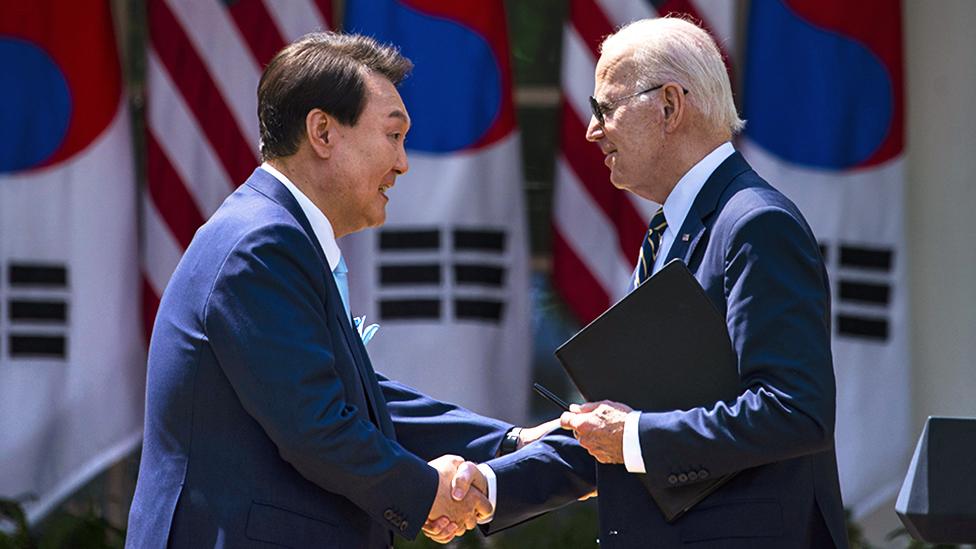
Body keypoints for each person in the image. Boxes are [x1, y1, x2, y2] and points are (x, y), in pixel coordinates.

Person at [126, 32, 591, 548]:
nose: (403, 163)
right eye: (393, 135)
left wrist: (509, 443)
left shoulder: (273, 234)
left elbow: (358, 398)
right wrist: (430, 493)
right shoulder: (262, 245)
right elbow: (319, 427)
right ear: (323, 132)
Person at [548, 17, 847, 548]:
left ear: (668, 106)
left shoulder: (756, 224)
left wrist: (634, 436)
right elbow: (660, 407)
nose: (592, 130)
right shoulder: (671, 230)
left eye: (605, 108)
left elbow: (793, 411)